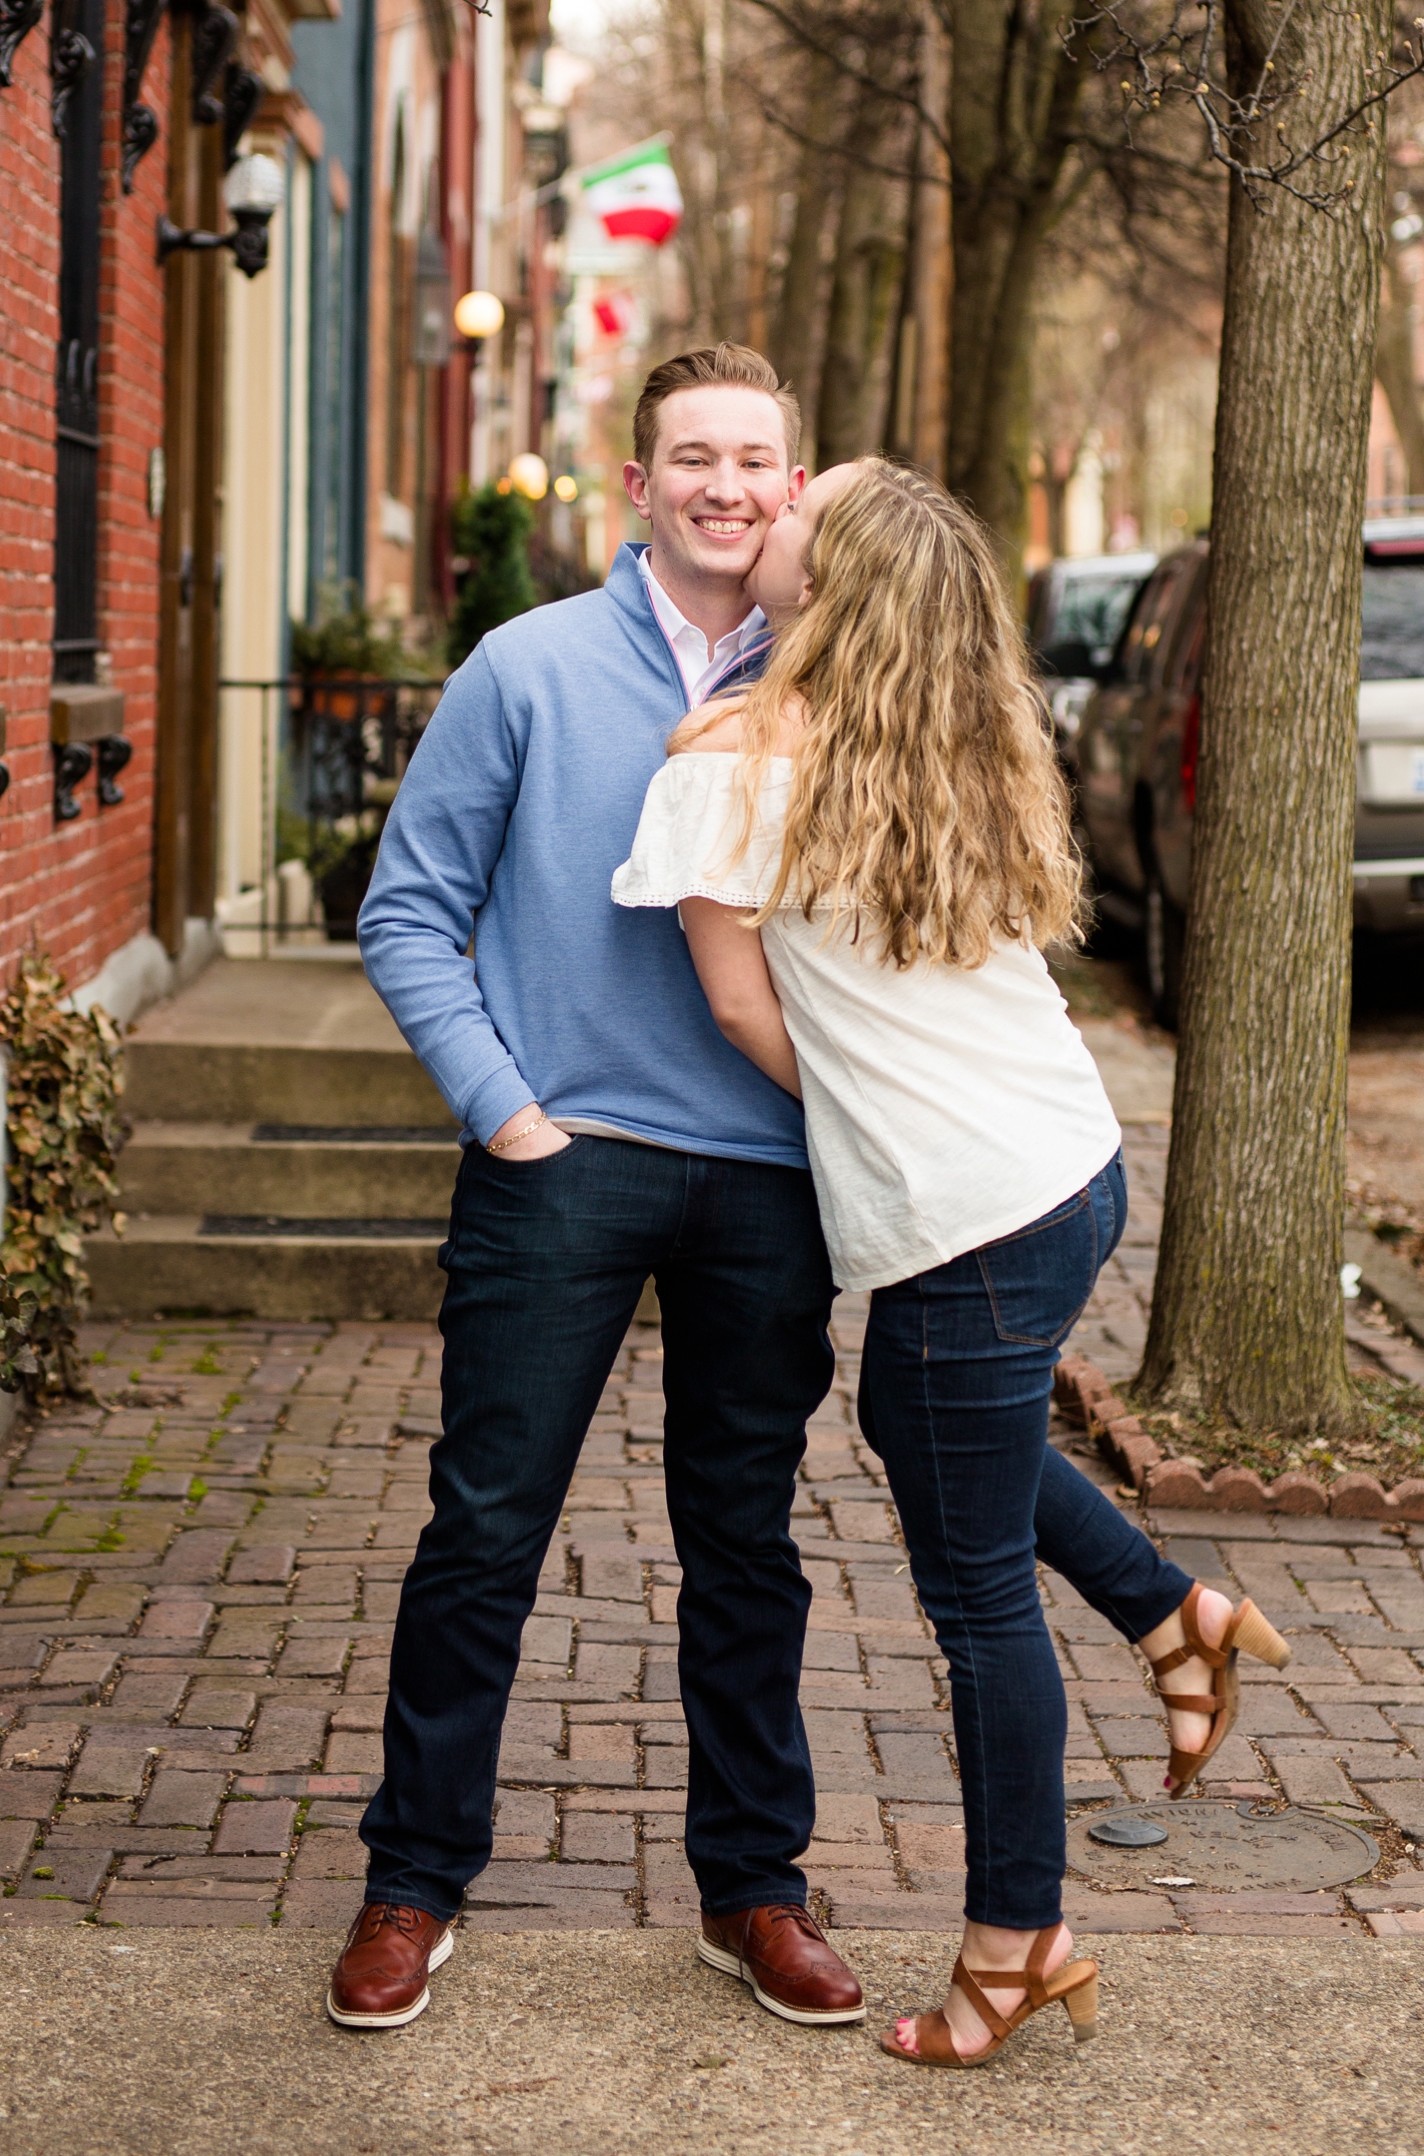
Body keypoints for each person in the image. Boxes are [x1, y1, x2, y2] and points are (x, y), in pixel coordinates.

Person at [613, 459, 1289, 2066]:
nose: (762, 503)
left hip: (969, 1216)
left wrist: (852, 1114)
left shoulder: (727, 760)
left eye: (793, 506)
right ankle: (1172, 1614)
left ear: (830, 583)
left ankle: (1017, 1938)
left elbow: (739, 1009)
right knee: (924, 1438)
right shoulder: (960, 740)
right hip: (1068, 1167)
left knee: (975, 1593)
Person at [334, 345, 867, 2036]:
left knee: (747, 1542)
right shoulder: (528, 667)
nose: (725, 485)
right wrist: (505, 1113)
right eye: (691, 456)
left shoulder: (848, 679)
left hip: (771, 1173)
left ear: (796, 487)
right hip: (562, 1163)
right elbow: (407, 909)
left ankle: (755, 1893)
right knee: (485, 1528)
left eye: (756, 461)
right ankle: (413, 1880)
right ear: (636, 483)